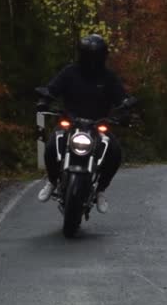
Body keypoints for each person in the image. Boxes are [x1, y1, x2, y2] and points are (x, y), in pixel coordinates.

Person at [37, 34, 131, 213]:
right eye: (88, 56)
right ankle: (52, 181)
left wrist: (125, 109)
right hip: (70, 121)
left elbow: (121, 98)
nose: (92, 61)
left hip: (98, 125)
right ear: (81, 55)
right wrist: (45, 99)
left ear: (103, 56)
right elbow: (52, 88)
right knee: (51, 146)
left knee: (115, 152)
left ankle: (101, 190)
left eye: (96, 56)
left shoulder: (109, 77)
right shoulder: (69, 72)